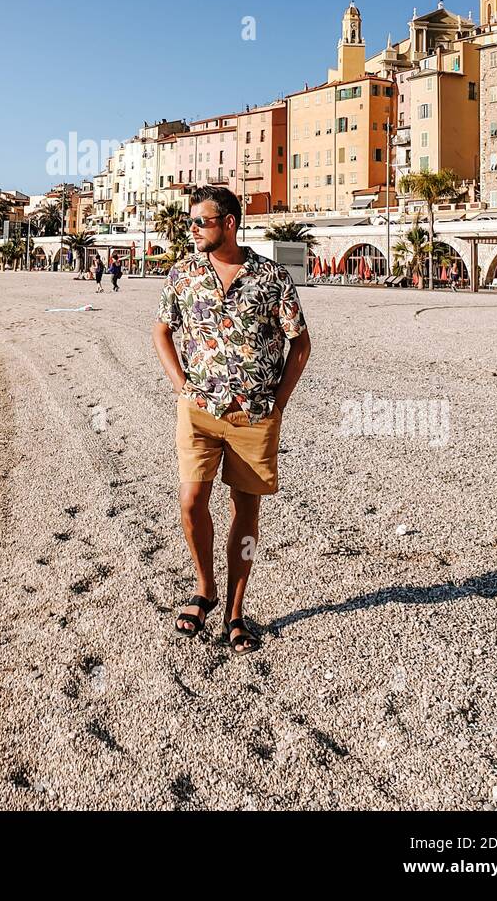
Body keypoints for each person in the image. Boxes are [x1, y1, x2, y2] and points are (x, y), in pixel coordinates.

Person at [152, 186, 311, 655]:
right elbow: (162, 329)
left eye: (201, 222)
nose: (193, 229)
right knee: (191, 500)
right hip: (198, 410)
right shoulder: (183, 274)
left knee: (245, 512)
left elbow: (299, 343)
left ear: (229, 223)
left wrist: (279, 402)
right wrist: (179, 382)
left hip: (253, 416)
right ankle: (205, 588)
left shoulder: (271, 277)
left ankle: (236, 611)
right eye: (191, 222)